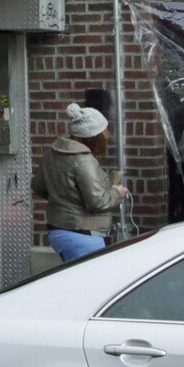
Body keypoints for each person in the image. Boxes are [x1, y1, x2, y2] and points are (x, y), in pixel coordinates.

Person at [37, 102, 127, 261]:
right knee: (89, 284)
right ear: (93, 136)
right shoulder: (84, 159)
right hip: (82, 235)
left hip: (57, 231)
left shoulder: (51, 153)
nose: (106, 138)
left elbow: (38, 186)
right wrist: (117, 192)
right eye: (103, 134)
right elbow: (97, 202)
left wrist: (63, 198)